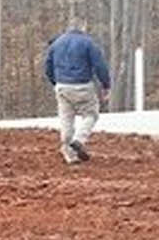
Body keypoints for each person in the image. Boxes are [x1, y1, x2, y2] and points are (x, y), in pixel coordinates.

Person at [43, 23, 111, 165]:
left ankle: (69, 153)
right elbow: (100, 65)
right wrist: (106, 85)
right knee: (91, 115)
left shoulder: (57, 43)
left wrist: (55, 82)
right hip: (83, 85)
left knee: (66, 118)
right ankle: (79, 140)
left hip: (62, 86)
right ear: (83, 30)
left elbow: (47, 66)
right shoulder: (88, 43)